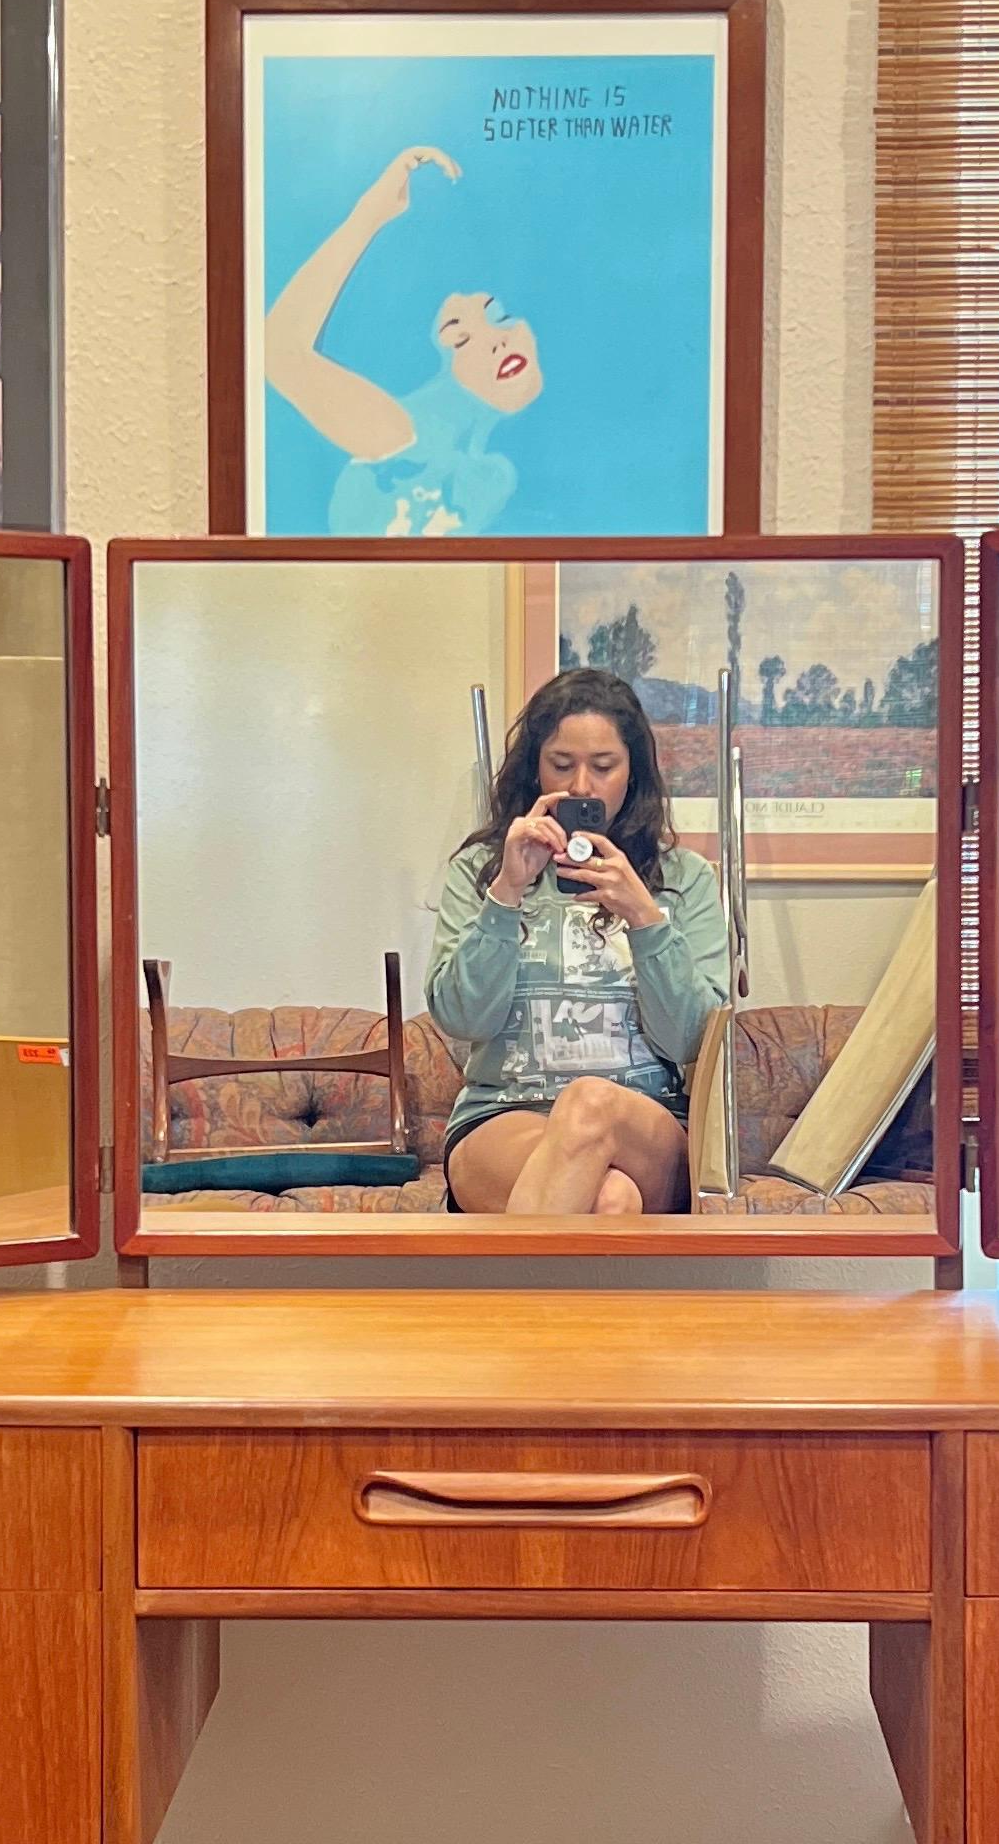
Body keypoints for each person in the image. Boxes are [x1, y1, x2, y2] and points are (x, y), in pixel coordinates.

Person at [430, 665, 727, 1216]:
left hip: (645, 1122)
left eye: (604, 766)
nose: (582, 787)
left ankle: (498, 1305)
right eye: (561, 765)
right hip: (503, 1117)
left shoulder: (683, 879)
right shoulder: (483, 870)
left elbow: (693, 1042)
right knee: (611, 1200)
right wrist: (506, 895)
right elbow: (461, 1020)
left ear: (634, 774)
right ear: (534, 770)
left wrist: (645, 918)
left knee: (589, 1103)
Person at [263, 144, 539, 536]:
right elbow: (278, 352)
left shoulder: (497, 469)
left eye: (501, 318)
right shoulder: (405, 435)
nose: (496, 341)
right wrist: (368, 216)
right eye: (459, 339)